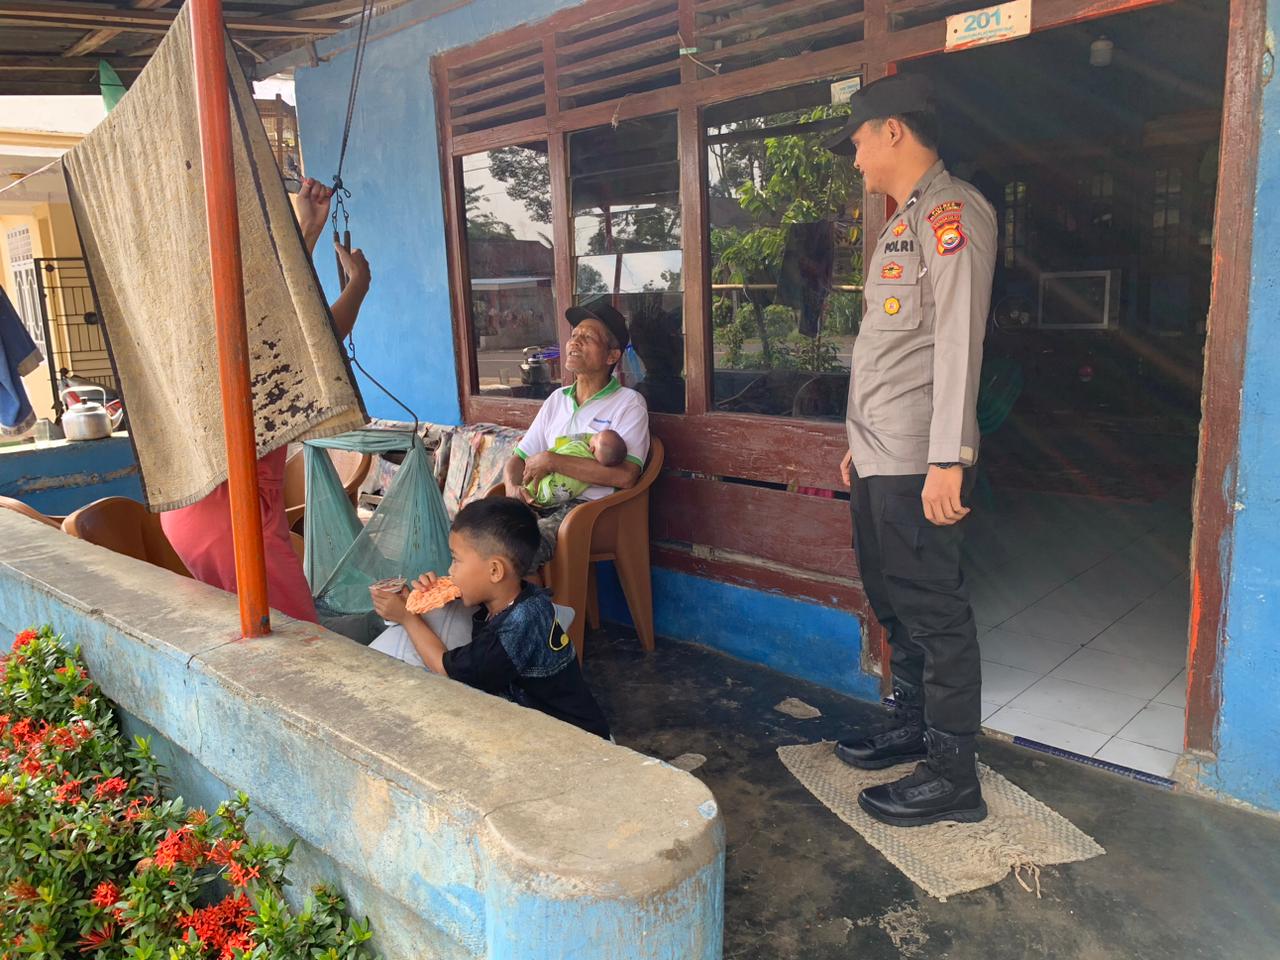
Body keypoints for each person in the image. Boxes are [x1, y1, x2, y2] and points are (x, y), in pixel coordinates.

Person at [823, 74, 997, 827]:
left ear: (892, 129)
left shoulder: (953, 212)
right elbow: (888, 352)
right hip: (880, 456)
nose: (856, 158)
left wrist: (948, 456)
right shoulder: (904, 222)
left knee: (933, 611)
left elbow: (957, 338)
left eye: (858, 140)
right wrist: (856, 445)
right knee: (892, 599)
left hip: (920, 458)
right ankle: (914, 725)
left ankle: (954, 775)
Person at [160, 178, 371, 623]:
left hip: (191, 507)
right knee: (302, 644)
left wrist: (307, 232)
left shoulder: (190, 328)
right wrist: (359, 283)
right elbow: (312, 339)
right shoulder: (230, 342)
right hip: (231, 516)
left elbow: (280, 311)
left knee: (255, 635)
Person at [368, 497, 612, 740]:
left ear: (495, 570)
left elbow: (445, 669)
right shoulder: (518, 598)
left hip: (572, 741)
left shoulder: (513, 631)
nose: (450, 571)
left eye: (456, 560)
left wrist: (407, 618)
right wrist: (427, 597)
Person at [502, 298, 650, 569]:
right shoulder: (557, 399)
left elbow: (626, 476)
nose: (575, 342)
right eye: (574, 335)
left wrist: (552, 461)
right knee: (479, 532)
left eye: (588, 337)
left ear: (612, 356)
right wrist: (513, 490)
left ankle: (531, 597)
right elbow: (518, 458)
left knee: (514, 552)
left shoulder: (629, 403)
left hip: (588, 511)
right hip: (539, 501)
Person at [526, 429, 628, 507]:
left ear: (592, 449)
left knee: (534, 486)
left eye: (596, 436)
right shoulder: (597, 466)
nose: (593, 435)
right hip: (557, 498)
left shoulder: (579, 449)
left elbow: (556, 452)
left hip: (555, 491)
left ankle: (528, 492)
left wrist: (545, 459)